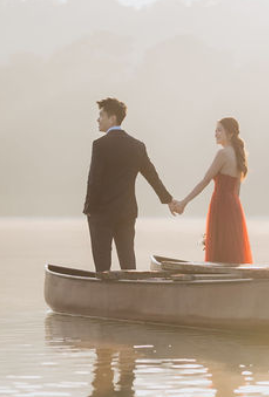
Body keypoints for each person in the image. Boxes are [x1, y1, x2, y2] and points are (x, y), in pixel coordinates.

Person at [83, 97, 176, 271]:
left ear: (113, 118)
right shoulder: (137, 146)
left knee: (103, 266)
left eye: (101, 115)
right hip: (126, 212)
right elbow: (152, 176)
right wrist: (168, 199)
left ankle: (105, 296)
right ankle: (132, 293)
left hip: (101, 213)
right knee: (128, 261)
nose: (98, 119)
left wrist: (89, 208)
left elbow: (94, 181)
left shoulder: (100, 145)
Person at [169, 117, 252, 264]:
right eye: (215, 130)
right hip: (234, 206)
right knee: (231, 246)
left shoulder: (223, 154)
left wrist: (184, 202)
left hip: (221, 204)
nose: (216, 133)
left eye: (219, 130)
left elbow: (205, 180)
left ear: (230, 134)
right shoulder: (238, 155)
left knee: (221, 247)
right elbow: (237, 191)